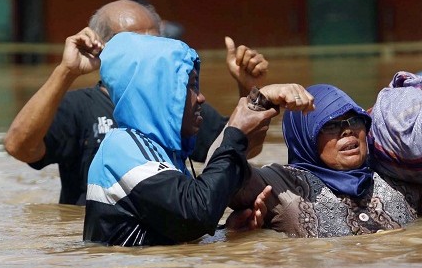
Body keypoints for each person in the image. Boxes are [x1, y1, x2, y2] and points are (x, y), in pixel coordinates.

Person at [3, 0, 267, 205]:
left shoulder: (178, 104)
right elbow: (19, 147)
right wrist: (66, 71)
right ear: (102, 47)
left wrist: (247, 89)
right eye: (137, 43)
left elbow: (243, 149)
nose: (151, 52)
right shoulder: (80, 107)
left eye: (156, 41)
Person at [83, 32, 313, 246]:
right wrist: (235, 133)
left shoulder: (161, 153)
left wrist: (226, 233)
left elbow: (172, 235)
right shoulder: (122, 149)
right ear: (159, 91)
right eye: (190, 86)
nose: (201, 97)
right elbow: (195, 212)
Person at [223, 84, 422, 237]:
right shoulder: (283, 186)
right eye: (330, 126)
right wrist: (262, 100)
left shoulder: (392, 177)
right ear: (304, 136)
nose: (348, 130)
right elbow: (222, 177)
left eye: (355, 120)